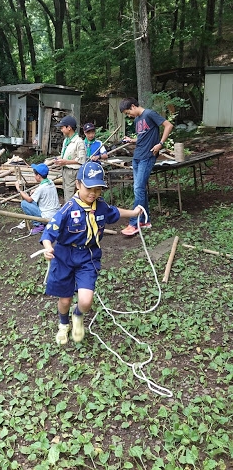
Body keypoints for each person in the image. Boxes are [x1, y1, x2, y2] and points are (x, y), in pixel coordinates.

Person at [41, 162, 143, 345]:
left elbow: (115, 212)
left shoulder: (100, 206)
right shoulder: (68, 209)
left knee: (86, 301)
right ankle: (63, 324)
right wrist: (48, 247)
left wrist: (134, 212)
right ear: (78, 184)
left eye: (98, 189)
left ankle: (77, 315)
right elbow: (49, 231)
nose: (93, 193)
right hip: (64, 256)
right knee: (64, 299)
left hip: (88, 256)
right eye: (89, 188)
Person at [119, 97, 173, 236]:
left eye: (127, 113)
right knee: (139, 189)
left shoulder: (149, 114)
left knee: (138, 188)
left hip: (147, 157)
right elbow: (143, 136)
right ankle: (145, 220)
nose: (128, 116)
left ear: (133, 106)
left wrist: (160, 144)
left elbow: (168, 125)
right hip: (137, 157)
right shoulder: (137, 120)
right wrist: (132, 140)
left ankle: (134, 222)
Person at [15, 163, 60, 235]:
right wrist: (34, 190)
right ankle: (42, 223)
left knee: (24, 203)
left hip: (47, 216)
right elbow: (41, 188)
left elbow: (29, 199)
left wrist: (19, 189)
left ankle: (39, 225)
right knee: (35, 202)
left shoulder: (41, 188)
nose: (34, 176)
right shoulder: (50, 182)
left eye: (34, 175)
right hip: (55, 214)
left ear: (38, 176)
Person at [54, 115, 86, 202]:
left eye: (62, 127)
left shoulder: (79, 141)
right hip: (65, 170)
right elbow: (64, 155)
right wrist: (58, 160)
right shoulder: (66, 140)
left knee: (71, 194)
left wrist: (65, 162)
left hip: (73, 172)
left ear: (69, 128)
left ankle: (70, 212)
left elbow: (82, 160)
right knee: (66, 192)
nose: (61, 129)